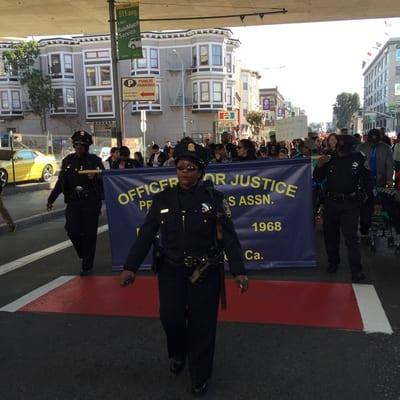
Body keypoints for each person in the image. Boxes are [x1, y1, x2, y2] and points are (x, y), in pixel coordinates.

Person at [119, 141, 248, 396]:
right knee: (171, 319)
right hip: (171, 270)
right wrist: (130, 267)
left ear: (200, 172)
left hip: (206, 271)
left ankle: (199, 375)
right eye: (180, 168)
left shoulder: (215, 200)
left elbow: (229, 238)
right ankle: (178, 352)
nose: (185, 173)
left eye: (190, 168)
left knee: (203, 326)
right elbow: (146, 234)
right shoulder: (163, 199)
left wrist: (238, 271)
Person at [313, 135, 374, 282]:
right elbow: (317, 178)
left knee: (351, 237)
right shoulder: (329, 158)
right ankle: (333, 262)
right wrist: (319, 166)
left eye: (342, 146)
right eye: (338, 146)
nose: (339, 149)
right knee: (330, 235)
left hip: (351, 203)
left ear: (349, 147)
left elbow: (367, 179)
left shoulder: (359, 158)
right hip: (331, 202)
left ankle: (356, 270)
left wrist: (374, 199)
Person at [47, 130, 104, 275]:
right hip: (74, 202)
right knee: (71, 229)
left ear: (87, 146)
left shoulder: (95, 161)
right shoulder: (68, 160)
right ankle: (84, 252)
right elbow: (61, 182)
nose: (79, 147)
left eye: (82, 145)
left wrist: (95, 178)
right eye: (76, 144)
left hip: (91, 202)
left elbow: (105, 180)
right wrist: (51, 199)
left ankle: (87, 266)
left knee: (90, 234)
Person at [357, 128, 394, 238]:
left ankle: (379, 224)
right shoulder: (360, 148)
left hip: (380, 181)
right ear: (367, 139)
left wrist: (389, 179)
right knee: (366, 206)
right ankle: (364, 229)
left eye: (375, 141)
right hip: (364, 182)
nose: (373, 143)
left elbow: (390, 165)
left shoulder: (386, 148)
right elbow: (356, 165)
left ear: (379, 140)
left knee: (380, 203)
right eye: (371, 141)